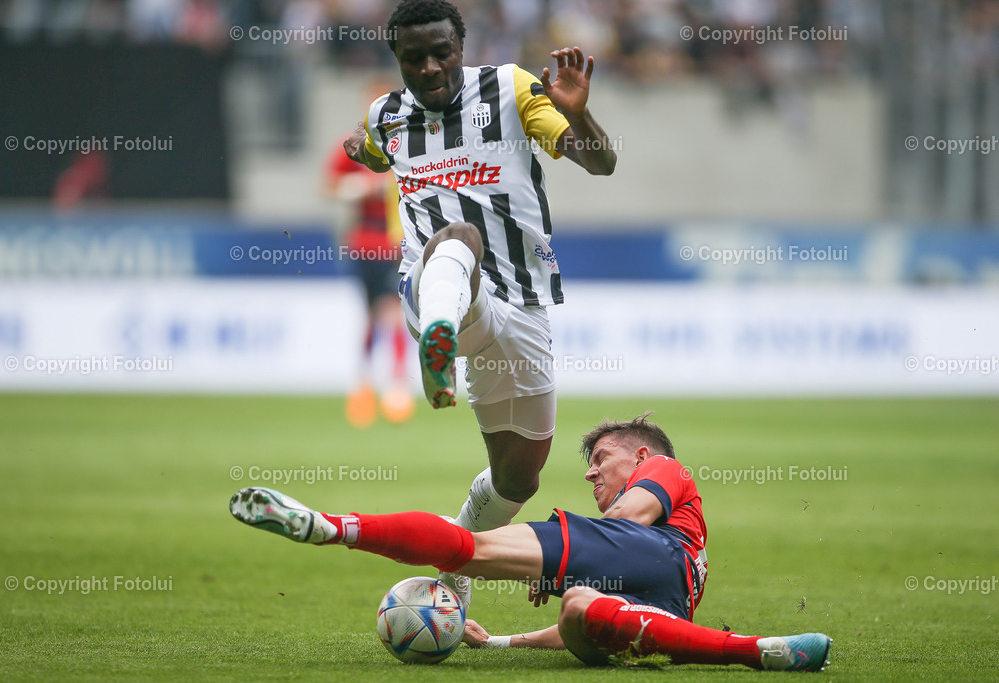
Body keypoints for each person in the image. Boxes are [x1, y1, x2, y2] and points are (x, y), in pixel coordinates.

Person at [341, 0, 618, 609]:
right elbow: (378, 143)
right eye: (414, 59)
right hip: (436, 293)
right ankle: (435, 342)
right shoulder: (387, 114)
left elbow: (602, 163)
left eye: (442, 52)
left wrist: (582, 116)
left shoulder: (511, 89)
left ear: (463, 47)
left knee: (520, 474)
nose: (431, 67)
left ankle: (453, 559)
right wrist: (366, 150)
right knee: (457, 238)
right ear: (398, 60)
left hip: (519, 305)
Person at [229, 414, 832, 671]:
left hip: (657, 555)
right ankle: (767, 652)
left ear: (644, 455)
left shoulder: (669, 471)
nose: (592, 474)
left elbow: (631, 517)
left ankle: (334, 527)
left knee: (471, 549)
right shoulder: (626, 534)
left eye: (601, 459)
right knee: (582, 613)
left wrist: (555, 562)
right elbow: (581, 604)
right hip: (665, 609)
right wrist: (499, 643)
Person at [325, 95, 414, 428]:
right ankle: (364, 384)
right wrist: (364, 186)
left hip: (396, 244)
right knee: (370, 315)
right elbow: (331, 185)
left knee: (391, 310)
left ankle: (395, 387)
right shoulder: (357, 145)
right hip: (364, 242)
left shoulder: (409, 142)